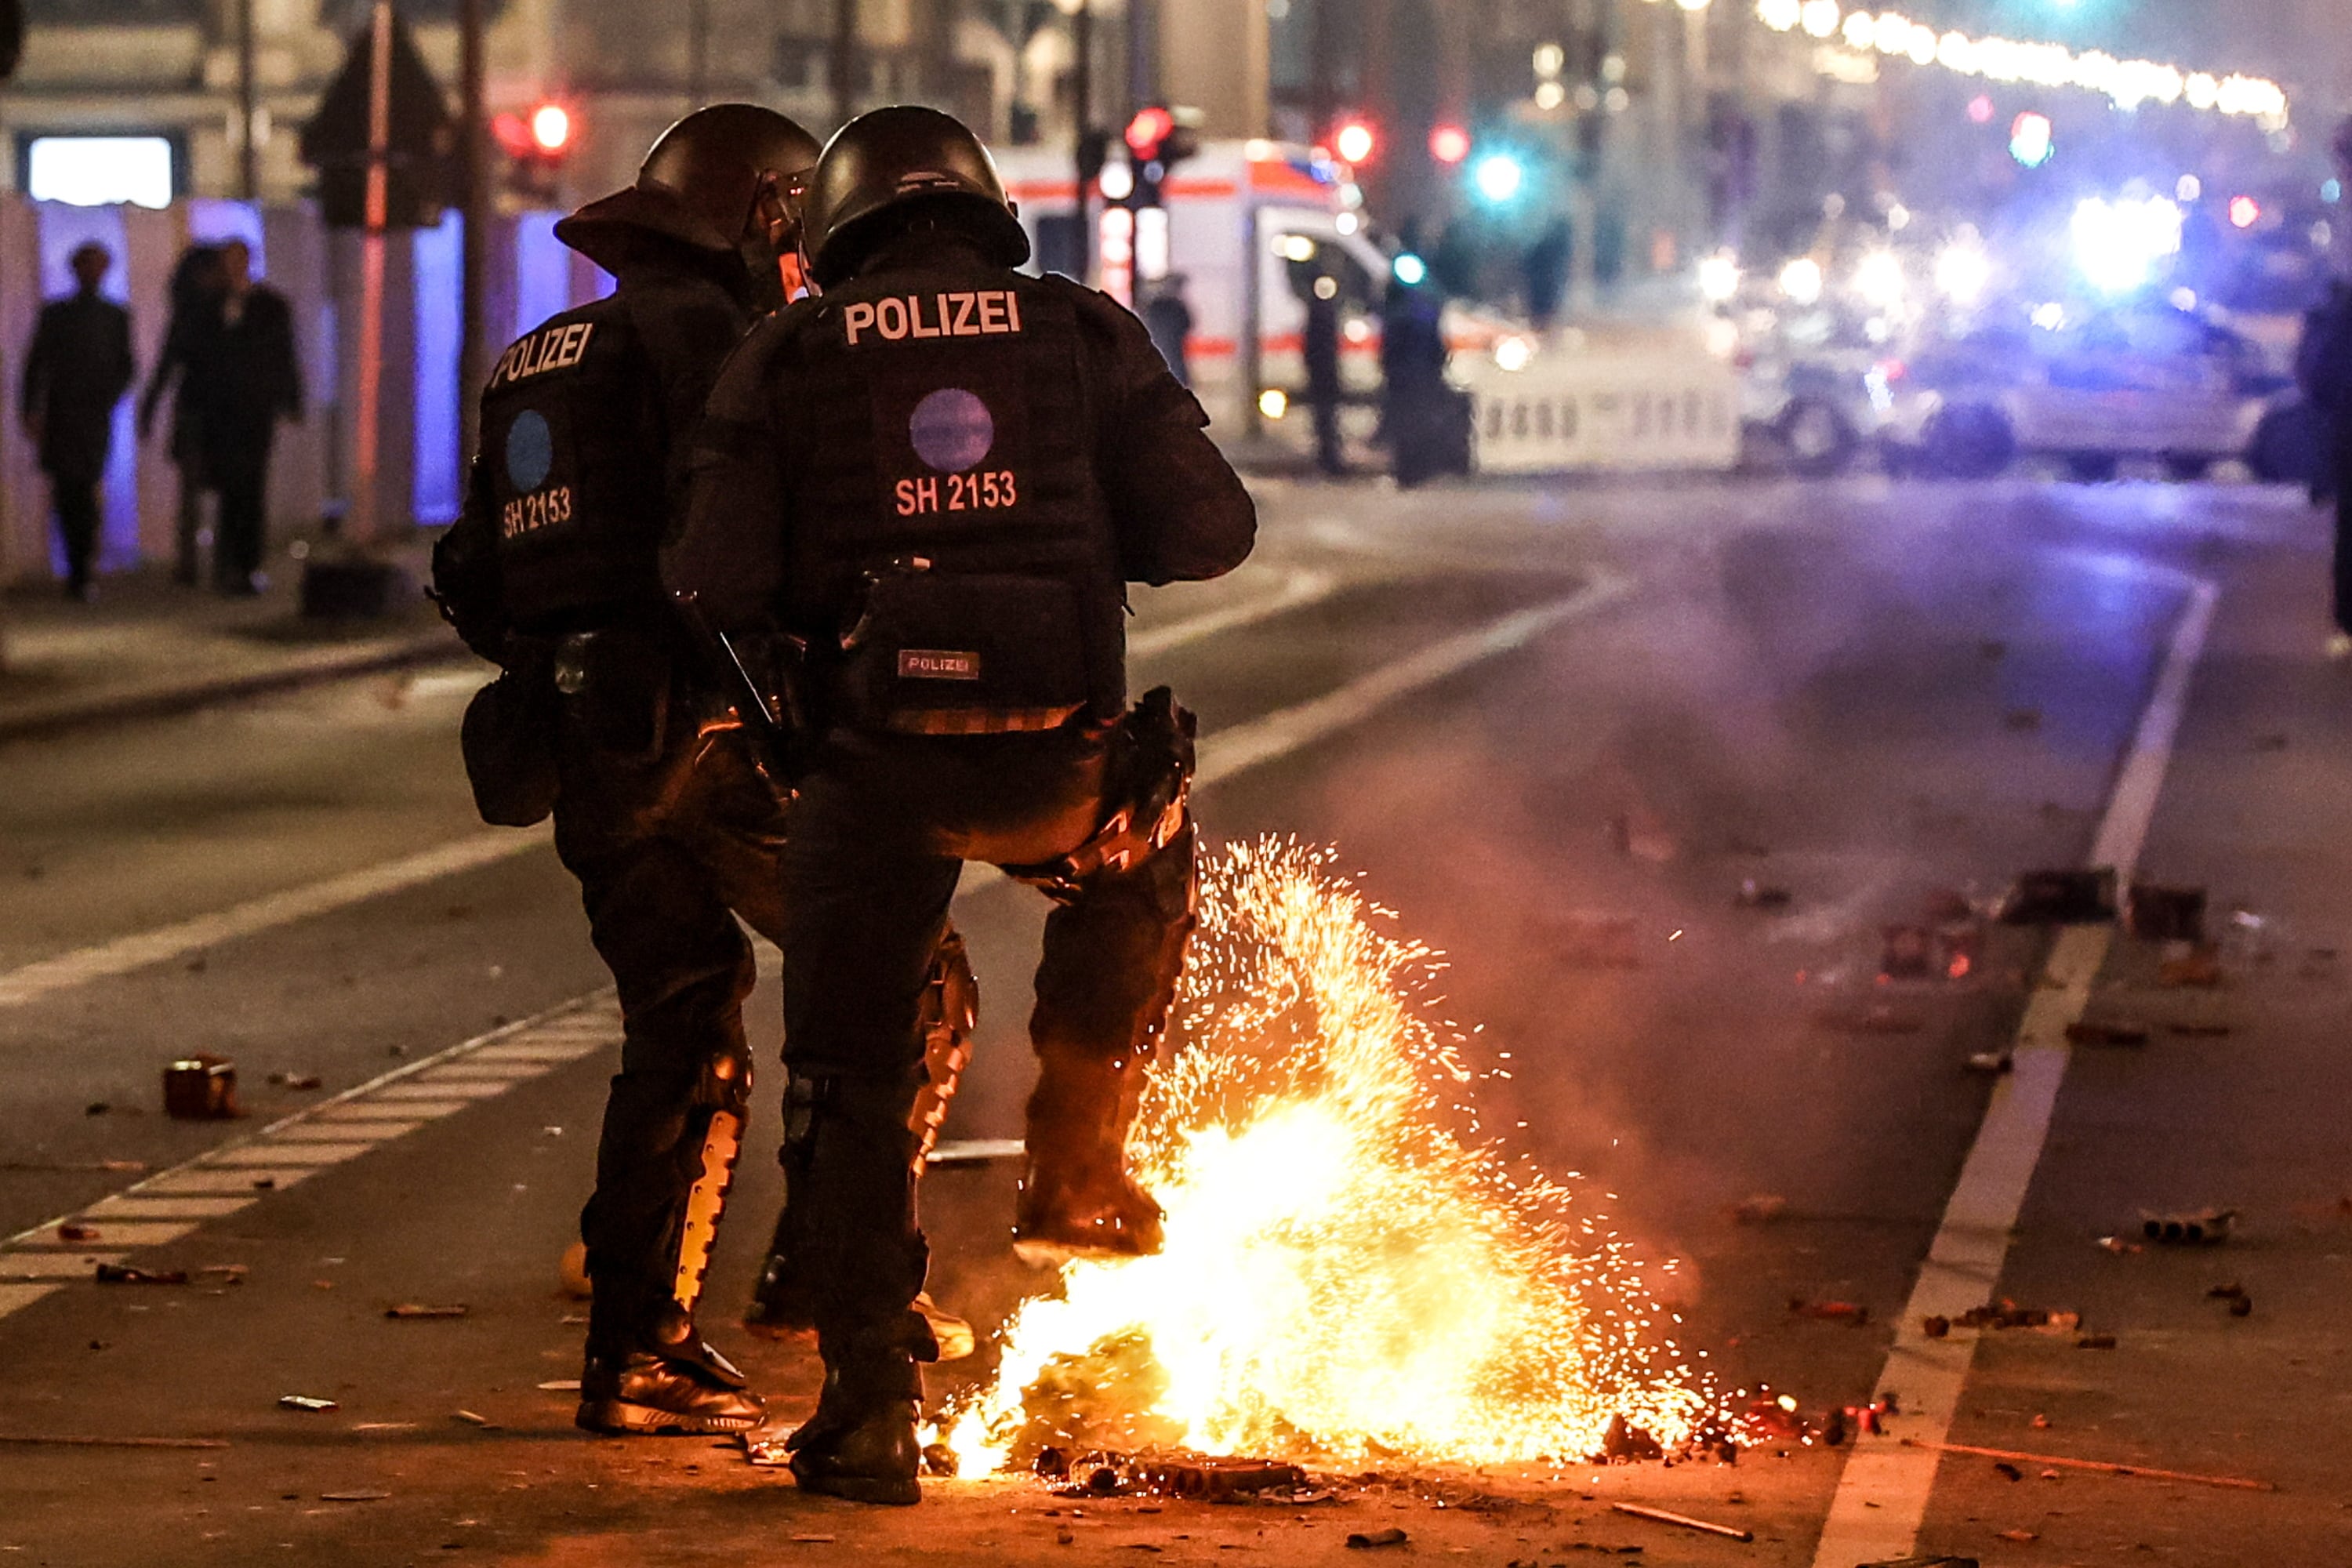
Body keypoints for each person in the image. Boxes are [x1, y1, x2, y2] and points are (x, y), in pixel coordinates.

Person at [670, 103, 1256, 1505]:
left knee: (855, 1080)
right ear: (990, 216)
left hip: (873, 778)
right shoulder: (1080, 329)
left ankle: (870, 1411)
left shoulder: (791, 349)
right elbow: (1211, 531)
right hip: (1059, 766)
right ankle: (1077, 1168)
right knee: (1147, 837)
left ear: (834, 236)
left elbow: (710, 580)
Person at [431, 105, 851, 1440]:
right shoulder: (709, 338)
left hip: (580, 745)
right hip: (702, 723)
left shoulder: (535, 357)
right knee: (900, 981)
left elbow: (474, 574)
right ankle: (838, 1294)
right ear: (762, 214)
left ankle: (635, 1351)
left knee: (683, 1018)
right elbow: (755, 535)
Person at [19, 241, 134, 601]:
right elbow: (35, 366)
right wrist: (31, 410)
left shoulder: (113, 316)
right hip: (65, 416)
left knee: (83, 491)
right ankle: (78, 568)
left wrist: (107, 399)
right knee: (71, 492)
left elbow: (126, 367)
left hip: (90, 416)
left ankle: (82, 567)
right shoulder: (58, 315)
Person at [201, 239, 303, 596]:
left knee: (251, 485)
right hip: (221, 412)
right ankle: (231, 563)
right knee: (230, 485)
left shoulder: (269, 306)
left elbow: (284, 354)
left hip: (255, 410)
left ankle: (247, 562)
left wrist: (290, 399)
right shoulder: (211, 307)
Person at [140, 244, 230, 586]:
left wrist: (150, 407)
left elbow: (167, 365)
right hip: (201, 412)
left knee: (206, 491)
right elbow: (167, 364)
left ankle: (205, 563)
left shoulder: (209, 313)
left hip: (210, 412)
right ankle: (198, 564)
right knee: (197, 491)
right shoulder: (195, 316)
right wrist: (150, 407)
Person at [1301, 263, 1346, 475]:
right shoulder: (1323, 312)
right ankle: (1330, 461)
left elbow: (1310, 349)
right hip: (1325, 375)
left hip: (1320, 375)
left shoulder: (1314, 311)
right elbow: (1324, 348)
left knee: (1324, 421)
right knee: (1327, 421)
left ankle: (1328, 460)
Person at [1140, 274, 1193, 387]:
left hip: (1156, 359)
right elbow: (1188, 324)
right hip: (1174, 357)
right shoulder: (1177, 307)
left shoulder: (1153, 307)